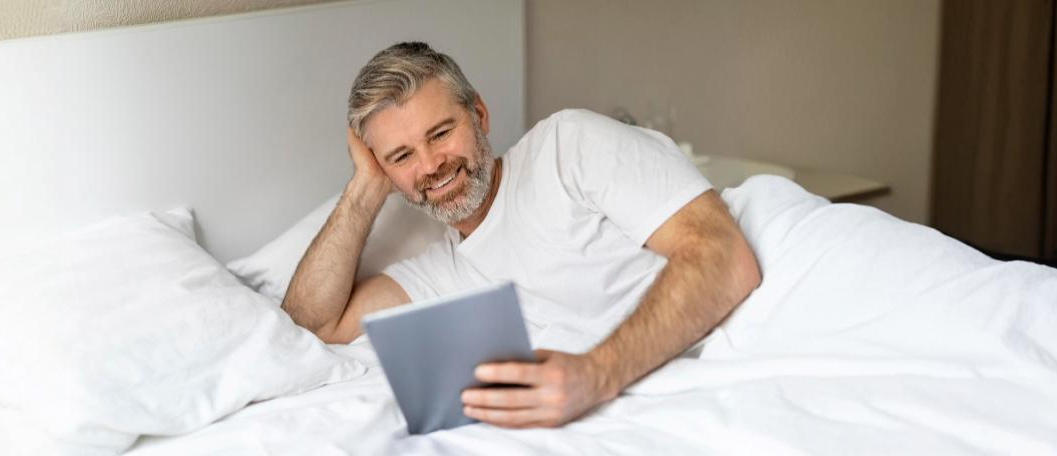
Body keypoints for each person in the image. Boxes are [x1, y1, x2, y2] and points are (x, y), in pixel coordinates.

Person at [280, 42, 761, 429]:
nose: (430, 166)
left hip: (747, 358)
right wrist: (365, 187)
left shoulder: (566, 147)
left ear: (479, 117)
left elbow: (725, 256)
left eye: (441, 133)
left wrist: (596, 374)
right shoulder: (442, 272)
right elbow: (310, 327)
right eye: (401, 157)